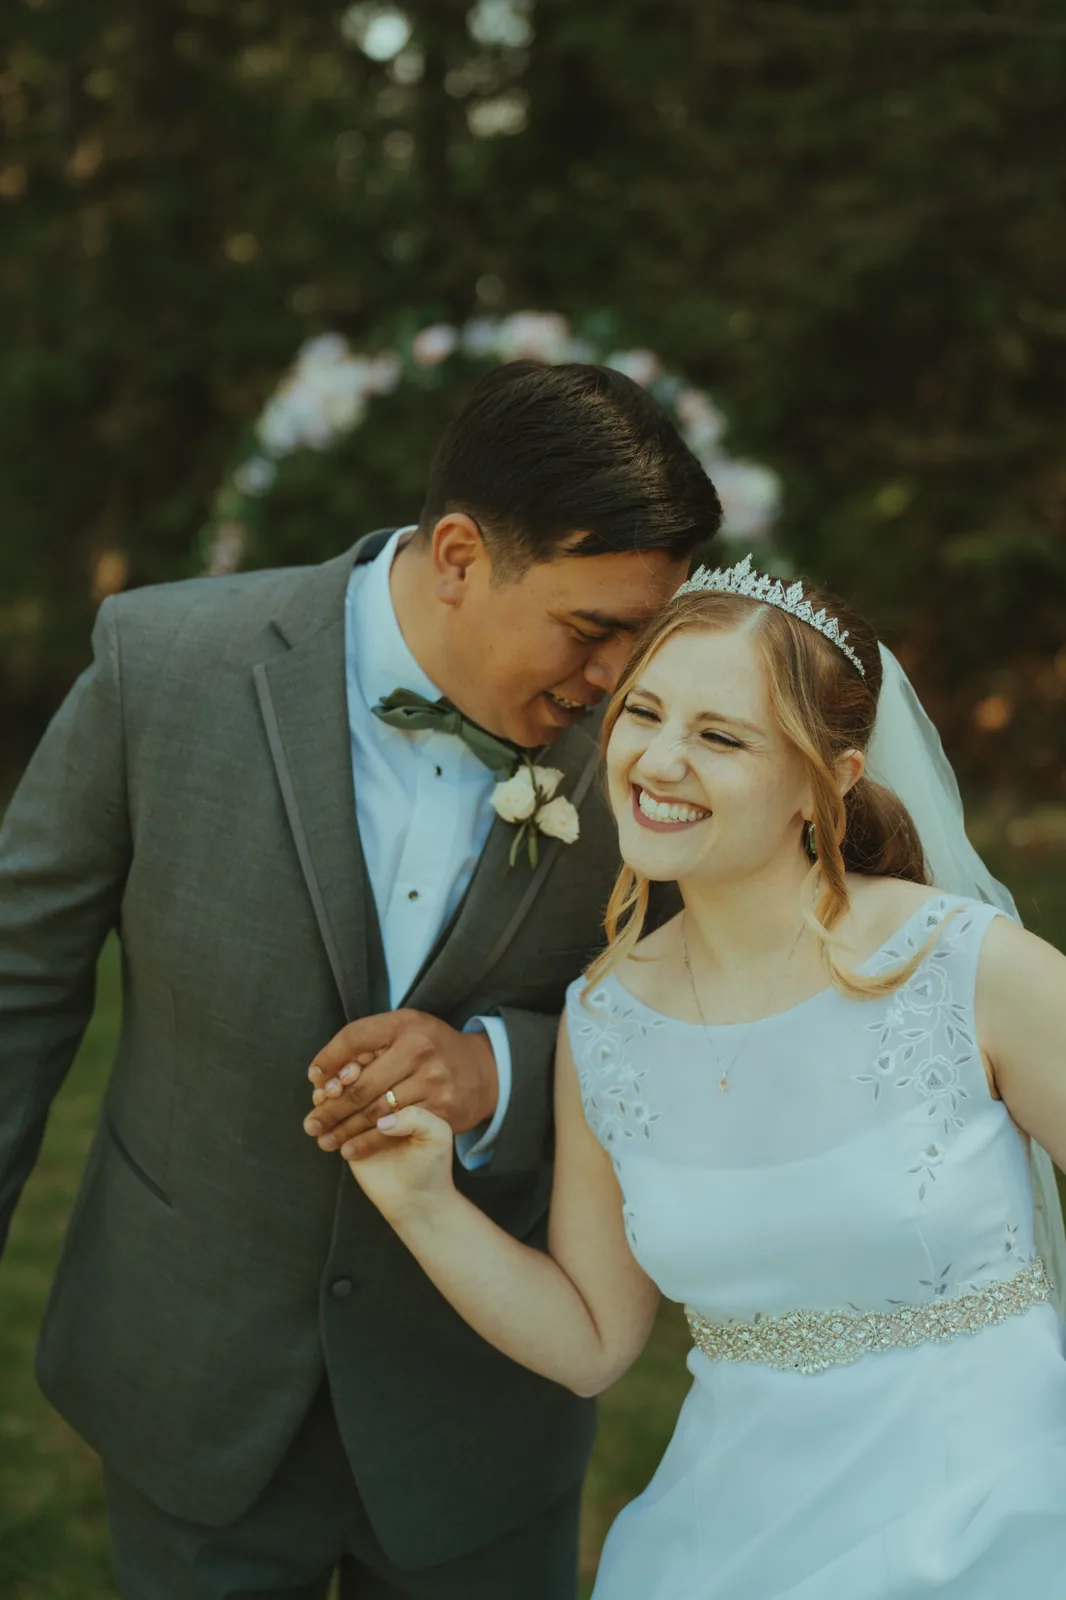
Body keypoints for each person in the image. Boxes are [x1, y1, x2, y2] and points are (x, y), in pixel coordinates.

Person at [0, 360, 722, 1599]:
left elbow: (706, 1015)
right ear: (457, 556)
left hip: (483, 1407)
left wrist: (497, 1069)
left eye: (641, 633)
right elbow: (18, 982)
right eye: (590, 629)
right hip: (193, 1381)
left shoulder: (655, 758)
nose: (619, 681)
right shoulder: (161, 663)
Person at [328, 555, 1066, 1597]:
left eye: (719, 736)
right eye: (644, 715)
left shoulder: (966, 969)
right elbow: (591, 1341)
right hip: (732, 1541)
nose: (657, 761)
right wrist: (421, 1202)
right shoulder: (606, 1020)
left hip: (994, 1521)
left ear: (828, 780)